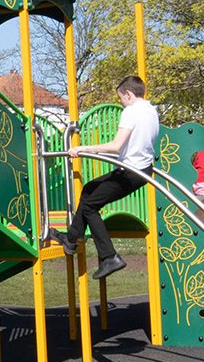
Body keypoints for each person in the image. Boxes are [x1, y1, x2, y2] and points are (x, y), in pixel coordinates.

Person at [54, 74, 160, 281]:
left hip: (130, 171)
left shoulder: (131, 112)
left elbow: (115, 146)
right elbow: (130, 146)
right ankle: (72, 238)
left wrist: (82, 148)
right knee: (90, 190)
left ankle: (109, 256)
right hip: (142, 169)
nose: (121, 103)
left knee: (90, 205)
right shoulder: (151, 110)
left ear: (128, 94)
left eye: (121, 98)